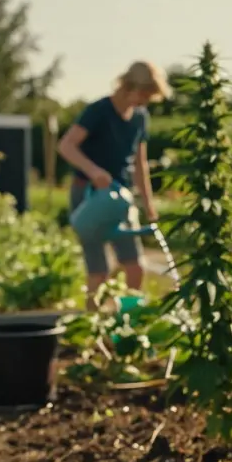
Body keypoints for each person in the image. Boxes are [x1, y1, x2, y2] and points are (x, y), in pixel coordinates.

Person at [58, 61, 169, 304]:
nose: (145, 101)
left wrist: (148, 203)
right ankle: (93, 331)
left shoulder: (140, 117)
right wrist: (93, 171)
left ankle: (127, 327)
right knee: (99, 272)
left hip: (120, 198)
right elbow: (66, 145)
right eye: (144, 95)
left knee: (135, 267)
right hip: (89, 196)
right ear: (129, 87)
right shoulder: (98, 111)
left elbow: (140, 163)